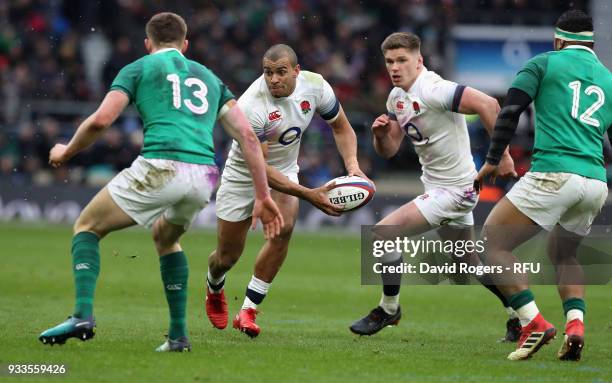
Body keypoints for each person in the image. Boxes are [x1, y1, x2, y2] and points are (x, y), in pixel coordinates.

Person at [38, 12, 283, 352]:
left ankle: (82, 314)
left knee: (87, 227)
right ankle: (179, 336)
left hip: (161, 165)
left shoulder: (139, 67)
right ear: (185, 45)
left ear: (147, 43)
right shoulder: (210, 78)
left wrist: (66, 151)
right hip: (203, 176)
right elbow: (248, 137)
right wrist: (262, 195)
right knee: (166, 237)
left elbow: (102, 120)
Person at [349, 32, 519, 339]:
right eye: (390, 61)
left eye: (402, 60)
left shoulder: (434, 88)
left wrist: (502, 155)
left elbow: (490, 105)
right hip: (441, 188)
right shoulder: (397, 98)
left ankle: (388, 309)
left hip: (456, 190)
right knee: (465, 262)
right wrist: (379, 134)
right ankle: (519, 314)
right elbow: (388, 150)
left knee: (384, 233)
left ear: (419, 61)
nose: (395, 67)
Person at [204, 44, 369, 338]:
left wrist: (353, 167)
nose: (273, 79)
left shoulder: (316, 86)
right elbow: (260, 167)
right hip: (244, 173)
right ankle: (214, 287)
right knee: (227, 257)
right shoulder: (251, 107)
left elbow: (342, 127)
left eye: (281, 72)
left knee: (284, 229)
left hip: (286, 169)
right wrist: (309, 194)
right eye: (268, 72)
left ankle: (248, 310)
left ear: (296, 70)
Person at [476, 10, 611, 361]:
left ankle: (532, 322)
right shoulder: (608, 79)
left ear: (559, 40)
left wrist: (492, 160)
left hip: (554, 173)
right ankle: (576, 326)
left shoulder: (543, 63)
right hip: (595, 180)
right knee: (564, 253)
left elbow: (509, 113)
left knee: (492, 245)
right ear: (591, 45)